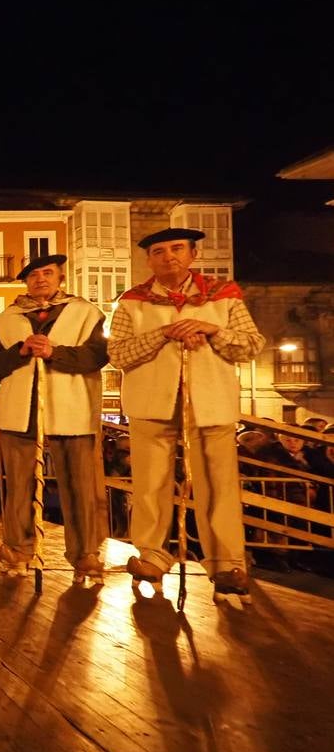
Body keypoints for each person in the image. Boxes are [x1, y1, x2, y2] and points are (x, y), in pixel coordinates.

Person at [109, 228, 266, 600]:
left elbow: (250, 345)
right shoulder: (132, 301)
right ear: (149, 260)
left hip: (210, 402)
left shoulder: (223, 296)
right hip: (151, 402)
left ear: (193, 254)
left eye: (177, 249)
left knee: (219, 484)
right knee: (150, 484)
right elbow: (118, 354)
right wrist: (166, 332)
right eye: (159, 251)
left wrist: (212, 331)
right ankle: (151, 554)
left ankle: (227, 562)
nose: (169, 257)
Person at [0, 254, 109, 580]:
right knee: (20, 487)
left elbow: (98, 355)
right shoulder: (9, 317)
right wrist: (21, 351)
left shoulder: (85, 313)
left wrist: (56, 352)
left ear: (60, 277)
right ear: (26, 281)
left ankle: (85, 553)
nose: (41, 279)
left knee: (80, 485)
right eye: (34, 275)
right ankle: (18, 548)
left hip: (72, 410)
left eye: (48, 273)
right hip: (20, 412)